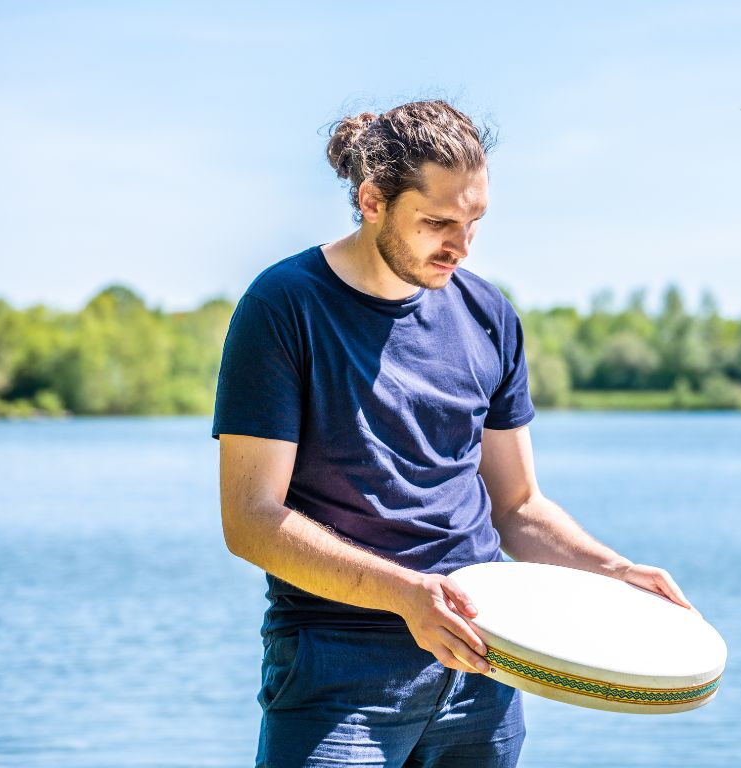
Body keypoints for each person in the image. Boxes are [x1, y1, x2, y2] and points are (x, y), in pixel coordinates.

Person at [213, 99, 696, 768]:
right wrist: (407, 597)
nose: (461, 246)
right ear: (372, 200)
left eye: (474, 222)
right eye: (438, 222)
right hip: (337, 674)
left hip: (485, 668)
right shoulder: (284, 307)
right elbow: (250, 519)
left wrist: (610, 570)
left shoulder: (489, 314)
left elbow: (517, 507)